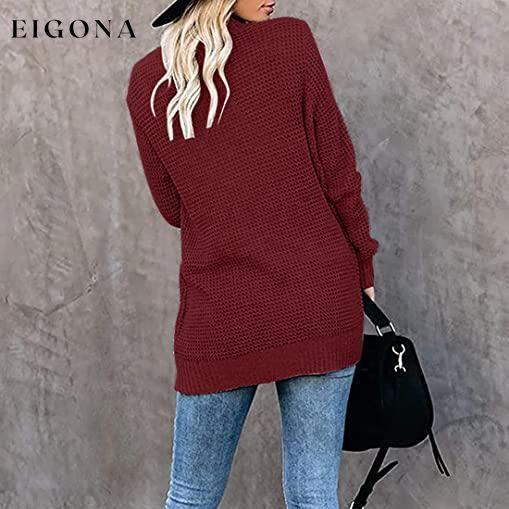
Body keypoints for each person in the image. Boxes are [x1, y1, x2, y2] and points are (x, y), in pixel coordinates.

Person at [125, 0, 380, 507]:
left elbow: (173, 208)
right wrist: (363, 263)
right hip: (318, 298)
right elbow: (337, 173)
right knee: (313, 495)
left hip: (222, 314)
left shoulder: (148, 82)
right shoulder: (292, 43)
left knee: (190, 496)